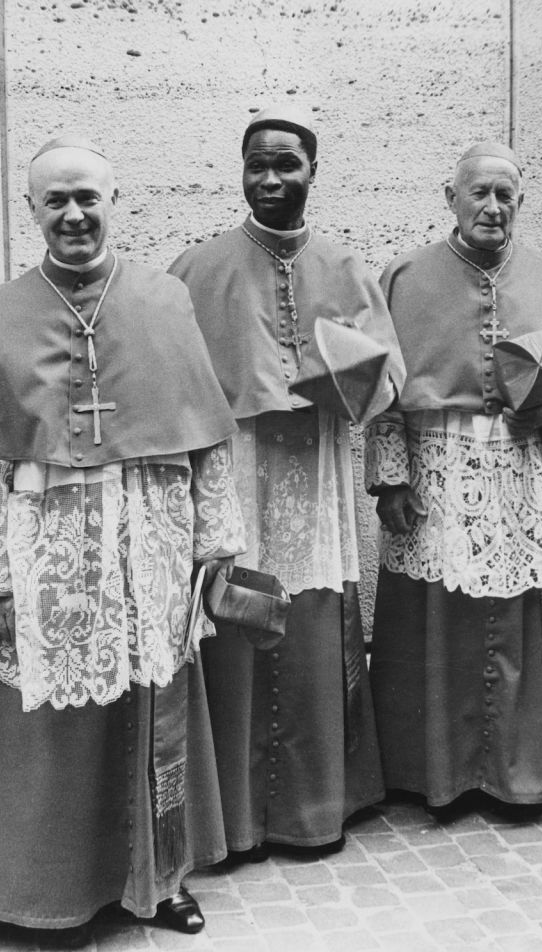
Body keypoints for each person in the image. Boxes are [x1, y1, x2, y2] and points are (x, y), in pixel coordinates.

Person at [0, 134, 244, 947]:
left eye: (88, 198)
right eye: (56, 200)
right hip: (47, 542)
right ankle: (47, 893)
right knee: (50, 718)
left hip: (150, 531)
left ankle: (161, 882)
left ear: (113, 201)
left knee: (155, 708)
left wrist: (215, 541)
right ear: (32, 209)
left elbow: (208, 437)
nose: (74, 214)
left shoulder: (161, 299)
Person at [169, 105, 405, 858]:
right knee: (235, 616)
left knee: (309, 622)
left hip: (317, 466)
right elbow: (170, 383)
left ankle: (311, 807)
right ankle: (235, 818)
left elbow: (390, 378)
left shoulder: (345, 267)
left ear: (313, 171)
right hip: (235, 467)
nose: (270, 178)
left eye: (286, 164)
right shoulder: (196, 268)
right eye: (257, 164)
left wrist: (356, 377)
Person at [366, 143, 542, 820]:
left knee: (519, 619)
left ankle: (519, 771)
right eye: (479, 192)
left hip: (522, 467)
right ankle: (436, 775)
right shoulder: (406, 274)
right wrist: (391, 480)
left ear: (520, 204)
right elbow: (384, 393)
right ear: (450, 197)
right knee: (435, 619)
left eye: (506, 195)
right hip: (438, 467)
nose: (493, 207)